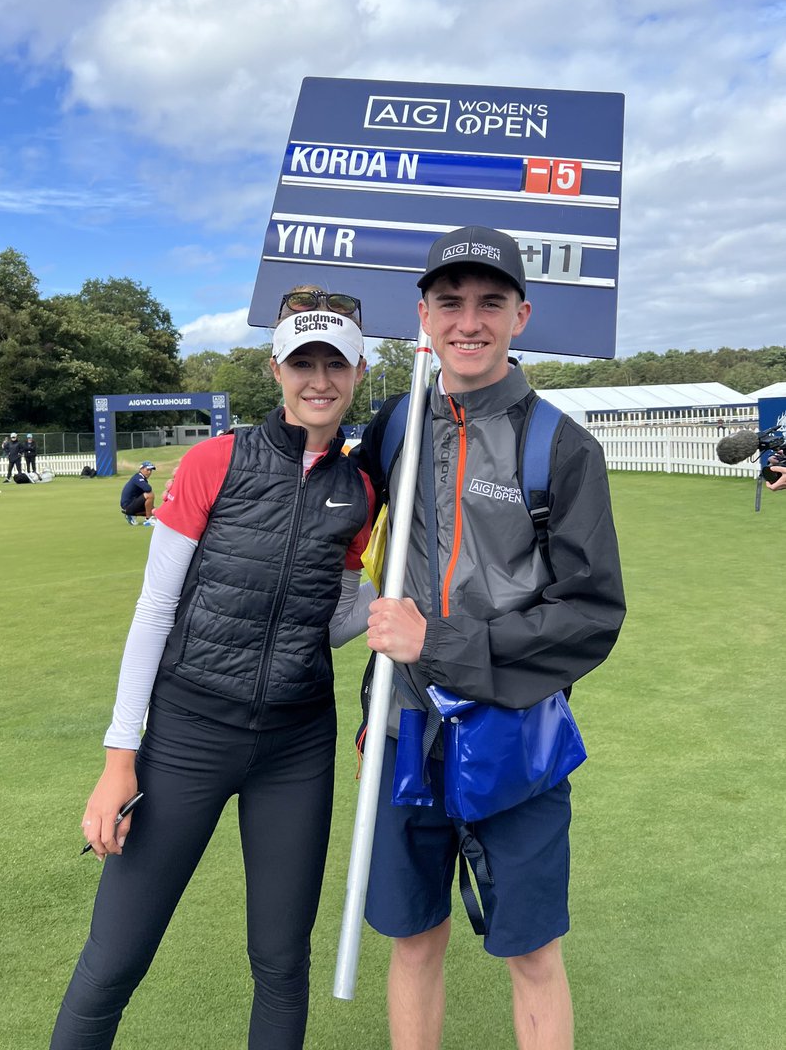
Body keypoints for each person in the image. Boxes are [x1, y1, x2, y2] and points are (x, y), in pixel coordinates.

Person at [51, 290, 375, 1049]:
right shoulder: (213, 461)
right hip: (188, 737)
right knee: (114, 960)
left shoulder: (357, 492)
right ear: (277, 370)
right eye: (304, 362)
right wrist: (117, 758)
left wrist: (398, 612)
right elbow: (153, 612)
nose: (318, 378)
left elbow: (325, 624)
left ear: (358, 373)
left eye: (335, 363)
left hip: (295, 748)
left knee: (280, 964)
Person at [351, 226, 626, 1050]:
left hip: (516, 741)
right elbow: (333, 504)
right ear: (424, 318)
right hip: (405, 737)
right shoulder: (398, 423)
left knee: (534, 954)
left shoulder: (561, 446)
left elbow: (591, 617)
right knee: (413, 940)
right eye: (450, 303)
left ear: (521, 315)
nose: (468, 321)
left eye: (490, 303)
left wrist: (436, 645)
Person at [119, 461, 158, 526]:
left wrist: (152, 509)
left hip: (133, 505)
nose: (149, 472)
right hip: (128, 506)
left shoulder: (142, 479)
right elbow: (148, 489)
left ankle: (130, 515)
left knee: (156, 512)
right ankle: (148, 520)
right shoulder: (137, 477)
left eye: (151, 470)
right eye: (147, 469)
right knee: (150, 494)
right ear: (141, 469)